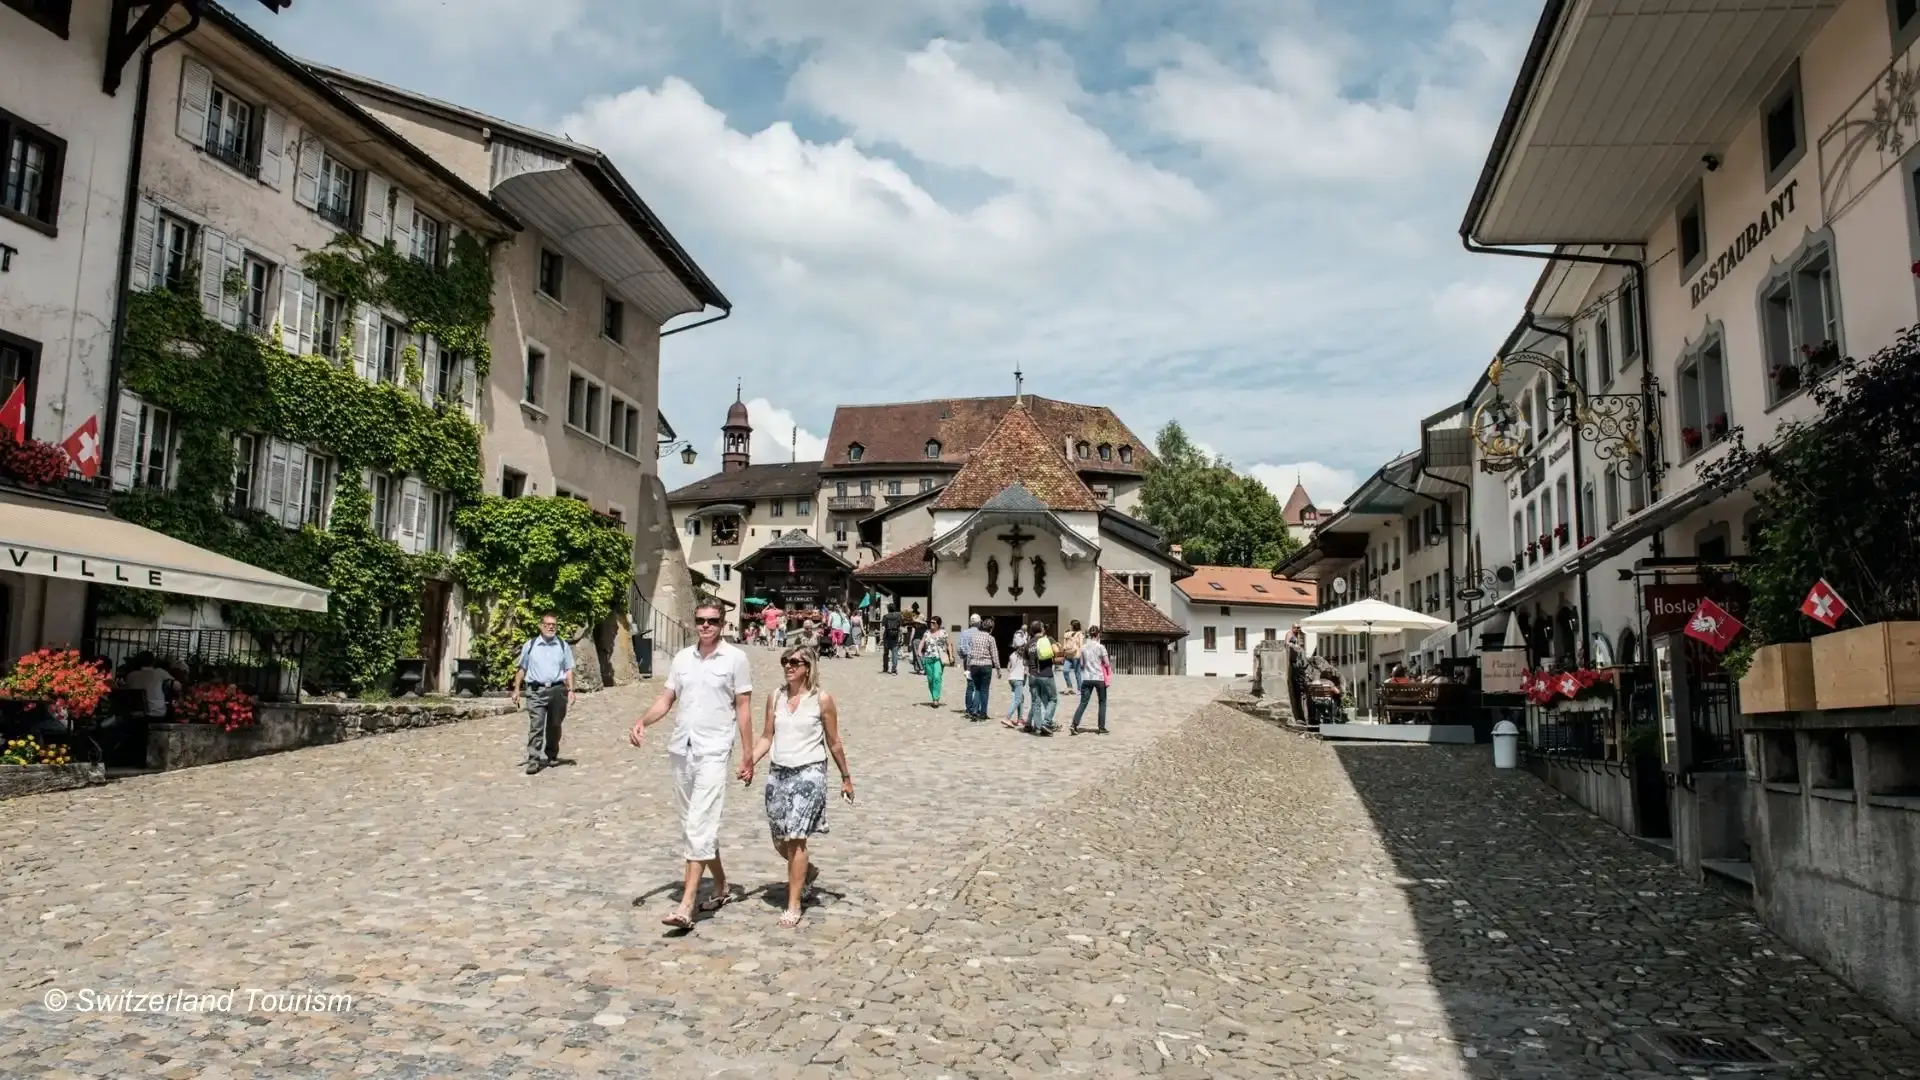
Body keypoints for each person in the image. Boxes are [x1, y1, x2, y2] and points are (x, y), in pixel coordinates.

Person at [628, 601, 755, 929]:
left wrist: (748, 753)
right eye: (701, 620)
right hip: (682, 749)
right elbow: (666, 698)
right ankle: (721, 885)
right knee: (693, 827)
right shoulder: (683, 658)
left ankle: (686, 906)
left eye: (712, 621)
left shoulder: (736, 659)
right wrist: (643, 721)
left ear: (722, 623)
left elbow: (743, 708)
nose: (706, 626)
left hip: (714, 750)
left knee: (699, 825)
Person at [749, 646, 852, 929]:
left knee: (796, 837)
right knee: (779, 838)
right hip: (778, 772)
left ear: (808, 667)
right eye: (785, 661)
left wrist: (845, 776)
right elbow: (766, 736)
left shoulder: (822, 700)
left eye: (795, 662)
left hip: (809, 773)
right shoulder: (776, 697)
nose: (789, 666)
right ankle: (808, 870)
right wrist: (750, 761)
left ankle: (793, 904)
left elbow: (834, 742)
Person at [510, 612, 576, 774]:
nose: (551, 627)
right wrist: (516, 689)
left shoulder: (563, 645)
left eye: (554, 625)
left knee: (555, 725)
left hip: (557, 690)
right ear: (541, 626)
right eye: (548, 624)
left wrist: (571, 689)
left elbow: (568, 669)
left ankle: (552, 755)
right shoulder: (530, 645)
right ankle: (533, 759)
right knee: (536, 725)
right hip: (536, 691)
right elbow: (522, 668)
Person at [1069, 626, 1111, 735]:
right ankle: (1101, 727)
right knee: (1102, 702)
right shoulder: (1101, 647)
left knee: (1083, 702)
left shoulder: (1083, 648)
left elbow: (1081, 664)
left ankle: (1074, 724)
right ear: (1098, 635)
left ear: (1089, 635)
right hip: (1099, 678)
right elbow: (1107, 663)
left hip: (1087, 678)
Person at [1021, 621, 1059, 735]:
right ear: (1042, 629)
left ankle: (1038, 727)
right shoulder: (1048, 639)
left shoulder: (1028, 643)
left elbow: (1025, 662)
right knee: (1053, 699)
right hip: (1046, 674)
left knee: (1035, 702)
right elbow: (1057, 651)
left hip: (1033, 675)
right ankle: (1046, 722)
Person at [964, 616, 1000, 721]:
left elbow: (970, 653)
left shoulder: (974, 637)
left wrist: (968, 667)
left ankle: (974, 711)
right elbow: (994, 654)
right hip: (986, 665)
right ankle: (983, 713)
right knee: (984, 690)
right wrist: (998, 668)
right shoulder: (990, 638)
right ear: (991, 628)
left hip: (974, 665)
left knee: (977, 689)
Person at [120, 652, 174, 718]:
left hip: (135, 715)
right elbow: (177, 686)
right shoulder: (159, 672)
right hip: (157, 714)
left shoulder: (130, 675)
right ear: (153, 662)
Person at [918, 615, 954, 707]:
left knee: (937, 677)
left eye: (933, 623)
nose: (931, 624)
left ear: (938, 624)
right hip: (928, 658)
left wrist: (951, 656)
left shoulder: (943, 633)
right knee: (930, 679)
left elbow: (949, 644)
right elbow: (922, 642)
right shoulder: (927, 633)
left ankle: (936, 699)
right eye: (930, 622)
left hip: (939, 658)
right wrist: (919, 651)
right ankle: (933, 696)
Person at [1002, 625, 1029, 729]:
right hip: (1018, 679)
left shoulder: (1012, 654)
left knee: (1020, 698)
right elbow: (1026, 670)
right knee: (1018, 699)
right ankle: (1007, 717)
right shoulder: (1024, 656)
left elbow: (1008, 668)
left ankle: (1020, 719)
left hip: (1011, 679)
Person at [1060, 620, 1085, 697]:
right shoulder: (1068, 633)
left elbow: (1081, 646)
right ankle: (1070, 687)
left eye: (1071, 625)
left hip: (1075, 656)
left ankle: (1080, 689)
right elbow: (1065, 644)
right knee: (1065, 671)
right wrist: (1064, 655)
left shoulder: (1080, 634)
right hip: (1068, 655)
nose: (1070, 626)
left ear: (1074, 626)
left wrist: (1081, 657)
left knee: (1077, 673)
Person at [880, 605, 903, 674]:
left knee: (886, 653)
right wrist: (901, 637)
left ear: (888, 609)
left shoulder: (885, 616)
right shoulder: (898, 617)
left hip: (887, 636)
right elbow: (900, 628)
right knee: (894, 653)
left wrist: (881, 638)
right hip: (895, 637)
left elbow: (883, 628)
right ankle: (894, 669)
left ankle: (885, 668)